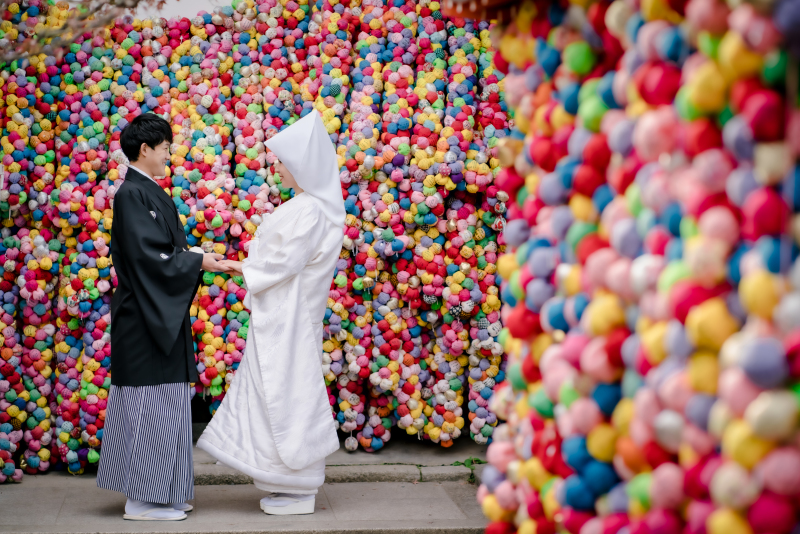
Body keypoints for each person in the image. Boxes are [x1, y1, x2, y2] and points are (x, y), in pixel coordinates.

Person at [197, 111, 344, 516]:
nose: (276, 166)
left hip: (291, 315)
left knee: (288, 392)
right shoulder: (308, 205)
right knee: (277, 391)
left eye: (281, 160)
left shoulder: (311, 209)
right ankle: (285, 480)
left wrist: (233, 266)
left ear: (299, 164)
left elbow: (284, 262)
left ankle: (298, 484)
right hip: (286, 313)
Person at [97, 113, 227, 521]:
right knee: (150, 406)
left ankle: (165, 493)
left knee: (167, 404)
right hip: (143, 318)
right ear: (145, 149)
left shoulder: (146, 191)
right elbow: (148, 257)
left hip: (156, 314)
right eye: (166, 147)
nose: (170, 154)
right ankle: (140, 501)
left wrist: (197, 260)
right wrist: (199, 261)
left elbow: (164, 255)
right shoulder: (130, 194)